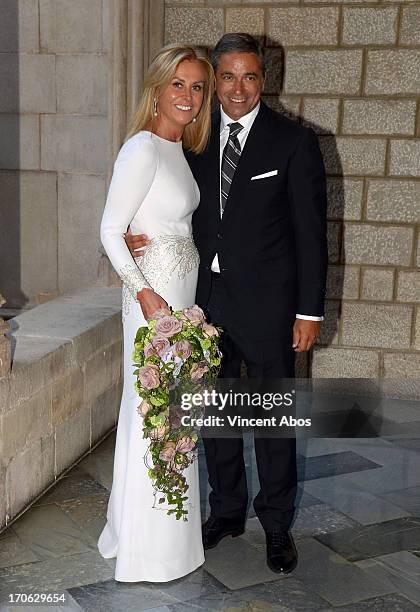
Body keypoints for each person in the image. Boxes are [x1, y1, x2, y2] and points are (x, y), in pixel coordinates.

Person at [126, 33, 328, 574]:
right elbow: (152, 197)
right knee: (213, 415)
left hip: (269, 307)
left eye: (250, 77)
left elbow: (312, 237)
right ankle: (227, 512)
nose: (238, 88)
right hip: (202, 302)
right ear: (216, 79)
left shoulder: (293, 142)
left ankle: (278, 525)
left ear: (266, 80)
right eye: (228, 76)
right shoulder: (192, 138)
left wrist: (309, 312)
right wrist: (129, 235)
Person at [98, 44, 214, 583]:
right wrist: (144, 293)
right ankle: (150, 552)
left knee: (173, 410)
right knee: (155, 412)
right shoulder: (142, 148)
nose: (188, 97)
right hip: (153, 297)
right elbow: (107, 229)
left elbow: (170, 225)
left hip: (181, 295)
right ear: (158, 89)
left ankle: (156, 535)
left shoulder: (177, 151)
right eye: (178, 85)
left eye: (197, 87)